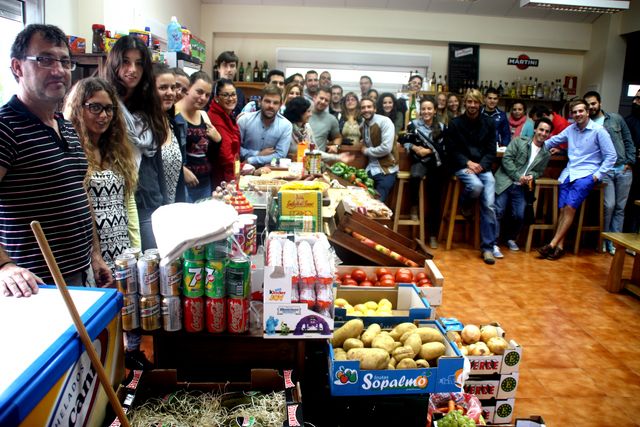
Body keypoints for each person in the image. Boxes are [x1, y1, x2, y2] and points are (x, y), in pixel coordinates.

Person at [1, 24, 112, 298]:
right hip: (34, 287)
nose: (59, 70)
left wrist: (94, 255)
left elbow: (80, 193)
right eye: (45, 60)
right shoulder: (5, 127)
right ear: (17, 67)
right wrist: (4, 266)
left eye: (64, 61)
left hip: (79, 273)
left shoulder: (66, 126)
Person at [65, 77, 140, 269]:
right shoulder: (70, 149)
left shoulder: (117, 149)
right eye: (95, 107)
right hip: (88, 254)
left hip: (122, 249)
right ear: (78, 109)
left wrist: (136, 249)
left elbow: (128, 203)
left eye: (109, 108)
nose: (104, 115)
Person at [102, 35, 168, 251]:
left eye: (139, 63)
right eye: (126, 61)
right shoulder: (105, 103)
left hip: (149, 197)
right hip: (117, 199)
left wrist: (165, 201)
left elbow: (156, 158)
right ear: (114, 63)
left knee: (153, 263)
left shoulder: (149, 105)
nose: (133, 69)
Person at [537, 99, 616, 260]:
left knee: (570, 208)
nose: (578, 114)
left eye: (581, 111)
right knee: (562, 209)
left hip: (587, 174)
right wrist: (534, 143)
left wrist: (598, 175)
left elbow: (611, 156)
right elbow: (554, 140)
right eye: (575, 112)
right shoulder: (571, 129)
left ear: (587, 112)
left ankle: (551, 244)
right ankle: (560, 247)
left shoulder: (599, 131)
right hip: (569, 173)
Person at [446, 89, 498, 264]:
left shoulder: (490, 123)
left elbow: (492, 150)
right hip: (463, 166)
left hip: (484, 168)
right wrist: (468, 163)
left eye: (476, 102)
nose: (472, 105)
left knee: (490, 205)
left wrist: (481, 165)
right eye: (469, 102)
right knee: (476, 186)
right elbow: (451, 150)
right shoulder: (455, 123)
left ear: (480, 104)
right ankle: (465, 205)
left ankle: (488, 249)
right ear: (464, 103)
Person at [584, 90, 635, 255]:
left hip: (623, 169)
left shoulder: (616, 119)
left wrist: (630, 161)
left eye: (593, 103)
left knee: (620, 208)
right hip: (605, 170)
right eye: (588, 104)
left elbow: (628, 140)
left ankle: (614, 243)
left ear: (600, 103)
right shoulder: (587, 124)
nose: (591, 107)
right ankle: (603, 240)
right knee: (609, 206)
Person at [494, 118, 553, 253]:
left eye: (547, 131)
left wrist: (532, 176)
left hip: (521, 187)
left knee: (520, 215)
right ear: (535, 129)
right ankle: (493, 243)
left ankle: (511, 238)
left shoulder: (546, 153)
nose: (543, 133)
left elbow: (539, 171)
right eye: (541, 129)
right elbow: (507, 159)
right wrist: (518, 176)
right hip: (505, 181)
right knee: (498, 211)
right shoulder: (519, 141)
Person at [402, 97, 448, 249]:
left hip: (436, 164)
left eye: (429, 109)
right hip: (419, 161)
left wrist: (428, 150)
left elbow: (444, 147)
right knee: (414, 176)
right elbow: (405, 140)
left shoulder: (441, 126)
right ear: (420, 110)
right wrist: (416, 149)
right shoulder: (413, 124)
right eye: (424, 109)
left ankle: (433, 235)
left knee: (435, 198)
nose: (426, 112)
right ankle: (414, 205)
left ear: (435, 110)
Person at [175, 71, 219, 202]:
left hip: (205, 182)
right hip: (183, 184)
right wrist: (181, 170)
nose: (203, 98)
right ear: (188, 89)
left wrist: (218, 140)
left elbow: (210, 152)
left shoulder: (204, 115)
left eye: (207, 95)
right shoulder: (173, 114)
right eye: (199, 92)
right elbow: (164, 152)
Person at [284, 96, 353, 165]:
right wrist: (336, 157)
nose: (310, 114)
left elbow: (314, 151)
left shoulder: (307, 127)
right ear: (299, 112)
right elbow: (303, 152)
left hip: (305, 167)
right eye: (308, 111)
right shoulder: (286, 128)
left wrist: (337, 157)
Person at [154, 64, 187, 205]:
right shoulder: (144, 128)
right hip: (152, 210)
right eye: (163, 88)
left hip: (172, 208)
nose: (170, 93)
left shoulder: (173, 125)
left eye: (173, 87)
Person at [239, 84, 292, 167]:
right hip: (243, 169)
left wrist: (252, 159)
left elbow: (280, 155)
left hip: (271, 172)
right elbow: (235, 148)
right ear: (260, 101)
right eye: (267, 101)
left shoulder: (286, 125)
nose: (271, 106)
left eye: (275, 103)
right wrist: (257, 153)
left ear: (280, 105)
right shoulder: (244, 120)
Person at [360, 97, 398, 202]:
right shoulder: (363, 125)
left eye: (369, 107)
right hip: (370, 169)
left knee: (378, 203)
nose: (366, 109)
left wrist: (366, 151)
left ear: (375, 109)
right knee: (360, 198)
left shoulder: (385, 121)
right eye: (363, 107)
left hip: (386, 170)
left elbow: (386, 148)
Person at [207, 78, 240, 188]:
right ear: (216, 98)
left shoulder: (228, 115)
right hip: (221, 177)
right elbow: (225, 155)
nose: (231, 98)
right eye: (225, 95)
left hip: (231, 172)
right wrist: (243, 167)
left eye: (233, 94)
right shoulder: (216, 118)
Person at [624, 90, 640, 233]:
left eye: (639, 99)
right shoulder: (629, 121)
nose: (634, 102)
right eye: (635, 98)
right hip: (632, 166)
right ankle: (628, 234)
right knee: (630, 202)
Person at [309, 86, 342, 153]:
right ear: (314, 98)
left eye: (326, 100)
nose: (323, 102)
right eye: (321, 98)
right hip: (299, 157)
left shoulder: (331, 119)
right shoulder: (303, 113)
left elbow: (338, 137)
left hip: (319, 159)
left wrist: (336, 146)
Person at [212, 51, 245, 116]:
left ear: (236, 69)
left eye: (232, 66)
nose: (229, 69)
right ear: (218, 68)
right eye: (225, 65)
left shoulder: (240, 94)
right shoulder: (209, 91)